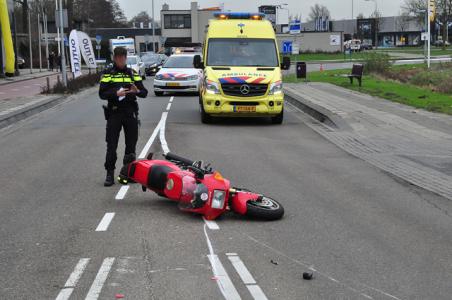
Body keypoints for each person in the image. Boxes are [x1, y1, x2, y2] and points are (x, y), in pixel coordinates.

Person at [99, 47, 148, 186]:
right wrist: (116, 94)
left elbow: (144, 92)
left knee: (131, 145)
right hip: (114, 113)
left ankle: (127, 173)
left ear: (126, 58)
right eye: (118, 58)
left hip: (130, 113)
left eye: (123, 57)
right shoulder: (108, 74)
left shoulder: (132, 74)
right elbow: (101, 94)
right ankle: (110, 174)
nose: (120, 60)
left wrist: (137, 91)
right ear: (114, 58)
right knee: (111, 145)